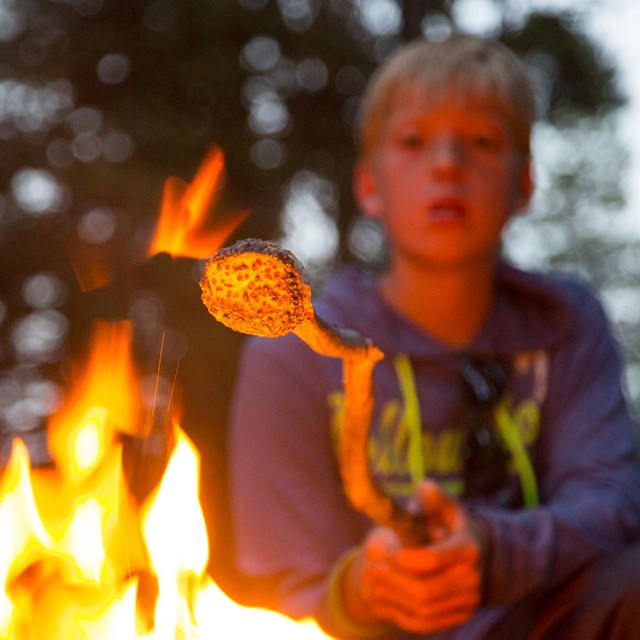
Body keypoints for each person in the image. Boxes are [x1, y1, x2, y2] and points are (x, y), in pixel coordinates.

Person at [226, 33, 640, 639]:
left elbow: (612, 507)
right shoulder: (292, 355)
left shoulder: (563, 324)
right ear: (368, 186)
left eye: (482, 141)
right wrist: (362, 589)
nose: (448, 165)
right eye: (414, 141)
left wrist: (491, 549)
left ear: (524, 184)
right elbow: (280, 578)